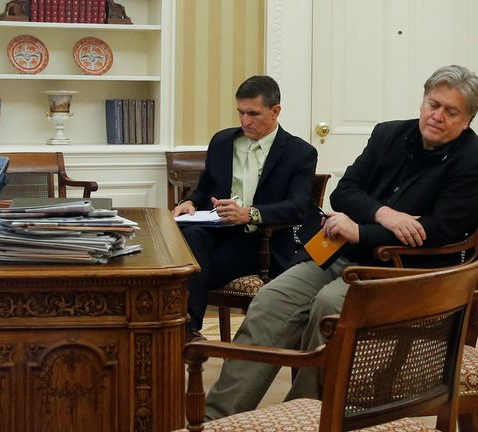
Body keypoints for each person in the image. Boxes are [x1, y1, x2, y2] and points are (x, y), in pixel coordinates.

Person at [204, 64, 478, 420]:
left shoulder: (471, 160)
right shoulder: (388, 135)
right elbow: (345, 191)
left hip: (409, 272)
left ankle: (306, 417)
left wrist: (361, 230)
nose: (436, 116)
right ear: (423, 101)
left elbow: (439, 230)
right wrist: (383, 214)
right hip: (340, 254)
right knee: (271, 300)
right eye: (432, 104)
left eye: (450, 111)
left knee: (329, 307)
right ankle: (217, 418)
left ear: (468, 119)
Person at [172, 75, 318, 341]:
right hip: (214, 231)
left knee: (187, 271)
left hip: (259, 242)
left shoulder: (300, 152)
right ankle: (187, 331)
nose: (244, 121)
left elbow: (297, 207)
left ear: (275, 111)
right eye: (240, 112)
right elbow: (204, 187)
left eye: (253, 113)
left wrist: (250, 213)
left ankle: (185, 330)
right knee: (188, 244)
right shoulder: (223, 142)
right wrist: (189, 203)